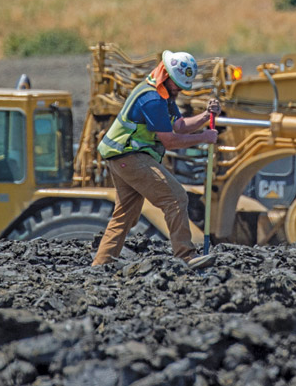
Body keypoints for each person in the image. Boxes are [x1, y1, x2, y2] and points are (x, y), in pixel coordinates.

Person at [92, 50, 221, 269]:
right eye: (178, 84)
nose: (180, 89)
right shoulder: (151, 98)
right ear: (166, 75)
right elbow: (170, 141)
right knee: (176, 197)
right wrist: (204, 138)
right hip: (129, 156)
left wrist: (206, 116)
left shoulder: (164, 94)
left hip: (123, 157)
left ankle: (100, 265)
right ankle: (186, 256)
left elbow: (179, 126)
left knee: (125, 215)